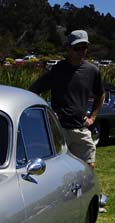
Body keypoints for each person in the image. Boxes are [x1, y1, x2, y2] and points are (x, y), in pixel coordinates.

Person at [29, 30, 104, 170]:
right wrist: (48, 114)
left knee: (88, 167)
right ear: (68, 48)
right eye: (77, 48)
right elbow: (33, 91)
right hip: (58, 129)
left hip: (80, 128)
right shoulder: (57, 70)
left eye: (84, 47)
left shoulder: (92, 71)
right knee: (56, 169)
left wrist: (92, 118)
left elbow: (100, 94)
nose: (81, 51)